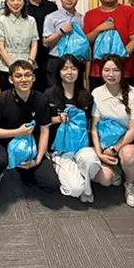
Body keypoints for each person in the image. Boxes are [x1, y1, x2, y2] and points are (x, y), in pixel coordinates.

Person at [0, 60, 59, 207]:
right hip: (4, 141)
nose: (23, 79)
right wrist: (17, 132)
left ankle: (25, 171)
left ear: (34, 78)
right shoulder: (2, 99)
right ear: (11, 79)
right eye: (18, 76)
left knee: (51, 185)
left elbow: (45, 131)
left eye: (27, 75)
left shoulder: (41, 99)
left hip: (30, 144)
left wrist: (38, 159)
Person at [90, 54, 134, 207]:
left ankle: (131, 184)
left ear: (122, 72)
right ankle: (117, 173)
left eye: (115, 70)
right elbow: (94, 128)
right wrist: (99, 152)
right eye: (106, 70)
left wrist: (115, 148)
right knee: (105, 179)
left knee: (129, 155)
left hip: (128, 142)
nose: (111, 74)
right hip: (105, 144)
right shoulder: (96, 93)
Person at [45, 54, 100, 202]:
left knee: (91, 162)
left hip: (81, 145)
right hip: (60, 149)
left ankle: (86, 186)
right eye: (65, 68)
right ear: (59, 72)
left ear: (79, 71)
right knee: (74, 189)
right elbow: (42, 122)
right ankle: (75, 175)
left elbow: (90, 123)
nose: (69, 72)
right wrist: (58, 119)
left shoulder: (86, 96)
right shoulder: (49, 94)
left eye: (73, 68)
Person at [84, 0, 134, 90]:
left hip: (125, 69)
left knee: (126, 99)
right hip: (98, 70)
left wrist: (117, 60)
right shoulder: (90, 15)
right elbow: (86, 41)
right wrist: (99, 29)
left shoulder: (130, 11)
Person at [0, 0, 39, 91]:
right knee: (7, 97)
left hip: (27, 66)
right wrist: (13, 67)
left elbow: (34, 44)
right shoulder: (1, 21)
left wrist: (29, 63)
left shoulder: (31, 20)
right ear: (7, 2)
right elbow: (0, 47)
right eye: (12, 0)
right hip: (6, 68)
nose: (16, 3)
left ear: (24, 2)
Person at [43, 0, 85, 87]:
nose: (69, 0)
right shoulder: (51, 17)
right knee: (54, 92)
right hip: (56, 60)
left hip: (75, 61)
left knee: (76, 91)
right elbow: (45, 43)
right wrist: (60, 32)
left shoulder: (81, 18)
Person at [25, 0, 58, 92]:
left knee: (47, 87)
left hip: (46, 54)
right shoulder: (22, 6)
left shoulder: (52, 7)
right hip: (26, 52)